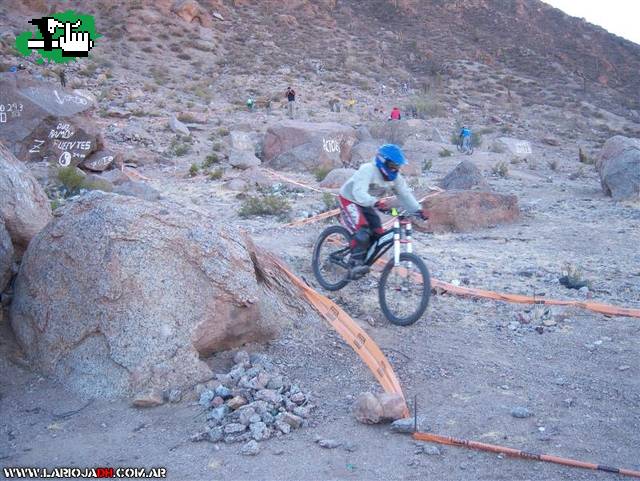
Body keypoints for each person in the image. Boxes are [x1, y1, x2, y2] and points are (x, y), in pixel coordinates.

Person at [338, 144, 428, 279]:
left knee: (378, 233)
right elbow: (358, 193)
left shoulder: (396, 178)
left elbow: (405, 195)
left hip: (368, 203)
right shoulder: (368, 170)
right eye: (392, 165)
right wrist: (375, 202)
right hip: (350, 199)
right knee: (362, 231)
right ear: (382, 161)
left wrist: (418, 210)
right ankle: (354, 263)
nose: (395, 169)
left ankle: (363, 259)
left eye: (397, 166)